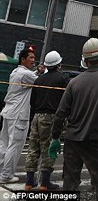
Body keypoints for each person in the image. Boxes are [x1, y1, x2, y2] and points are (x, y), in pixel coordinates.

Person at [49, 38, 98, 200]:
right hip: (96, 140)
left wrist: (55, 137)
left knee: (70, 182)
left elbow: (61, 113)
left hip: (72, 140)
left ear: (85, 60)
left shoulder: (74, 82)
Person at [24, 50, 69, 191]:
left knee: (33, 148)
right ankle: (45, 183)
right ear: (58, 64)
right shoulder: (62, 79)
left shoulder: (39, 80)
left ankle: (29, 182)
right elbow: (66, 100)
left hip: (37, 116)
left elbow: (32, 101)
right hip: (51, 117)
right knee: (48, 148)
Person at [0, 48, 43, 184]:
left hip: (8, 111)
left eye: (33, 57)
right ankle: (6, 175)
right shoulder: (25, 74)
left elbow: (31, 77)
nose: (33, 60)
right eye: (30, 57)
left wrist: (37, 72)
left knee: (4, 143)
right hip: (18, 114)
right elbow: (40, 81)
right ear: (22, 59)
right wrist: (43, 72)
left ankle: (2, 171)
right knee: (15, 145)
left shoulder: (15, 72)